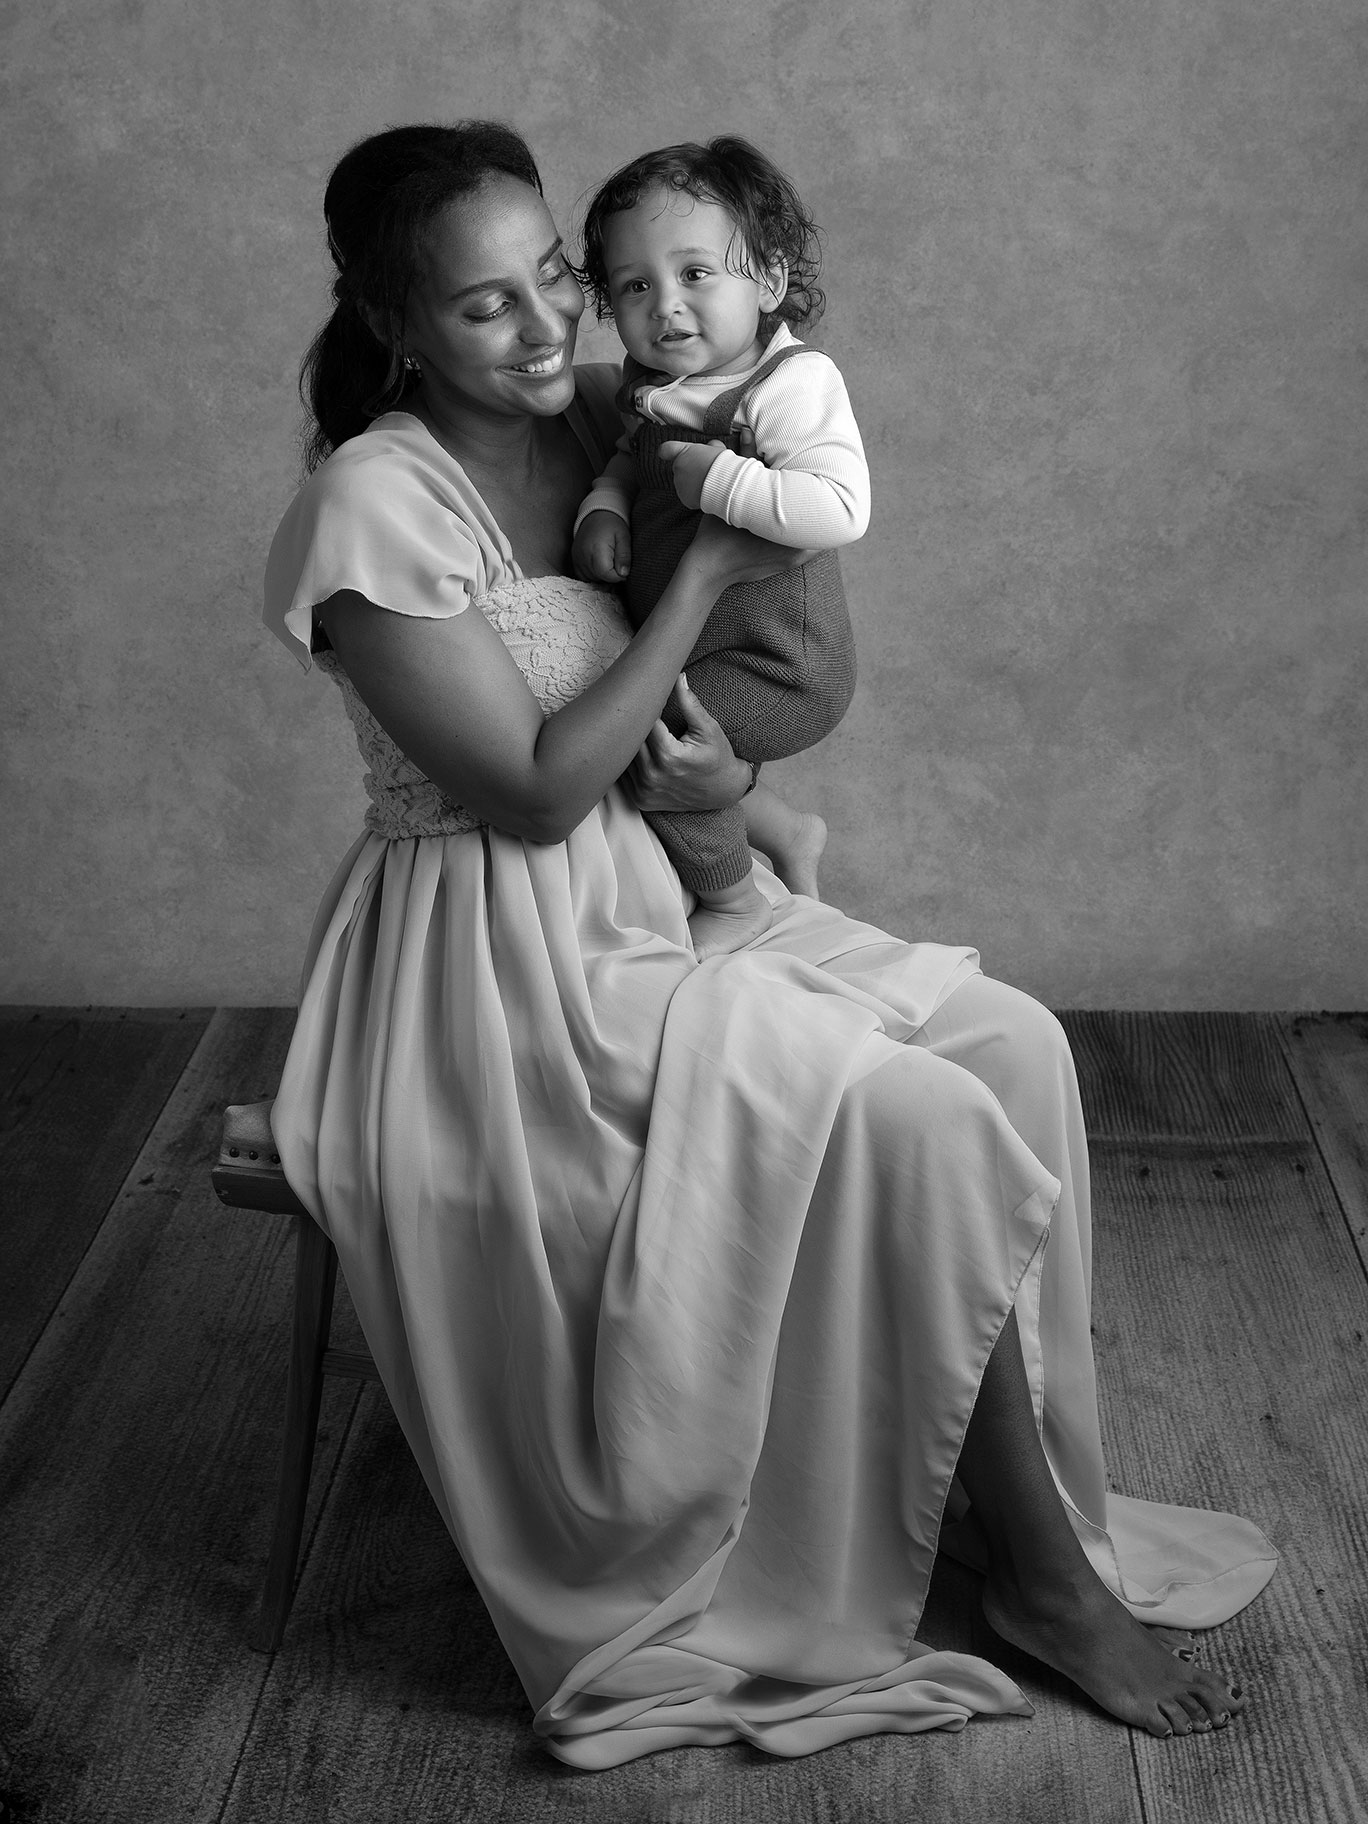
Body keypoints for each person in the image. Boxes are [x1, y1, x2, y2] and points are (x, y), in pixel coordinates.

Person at [263, 121, 1275, 1770]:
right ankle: (1033, 1577)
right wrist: (704, 572)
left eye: (553, 284)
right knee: (917, 1113)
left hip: (652, 890)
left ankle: (971, 1479)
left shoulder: (597, 414)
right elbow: (523, 793)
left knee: (1008, 1037)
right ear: (393, 326)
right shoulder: (371, 505)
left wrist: (735, 769)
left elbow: (785, 513)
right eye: (482, 310)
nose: (544, 334)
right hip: (493, 967)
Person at [573, 136, 868, 959]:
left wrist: (719, 482)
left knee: (650, 736)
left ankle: (735, 901)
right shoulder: (655, 386)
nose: (665, 305)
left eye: (696, 274)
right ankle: (785, 827)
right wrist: (606, 507)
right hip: (713, 643)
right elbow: (628, 461)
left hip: (782, 660)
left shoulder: (789, 385)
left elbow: (840, 507)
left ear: (769, 279)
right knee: (647, 719)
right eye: (635, 286)